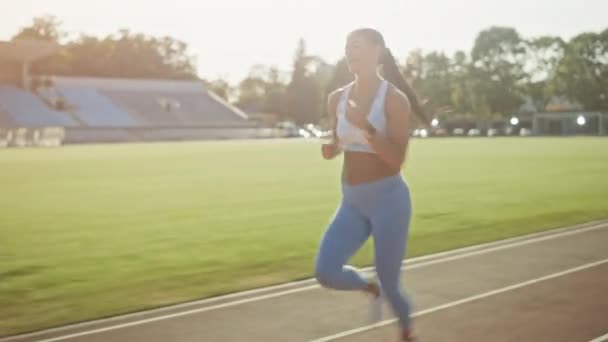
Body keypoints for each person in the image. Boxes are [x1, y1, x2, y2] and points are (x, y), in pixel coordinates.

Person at [314, 28, 427, 342]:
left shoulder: (394, 100)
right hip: (352, 201)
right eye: (346, 46)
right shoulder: (336, 98)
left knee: (392, 285)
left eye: (358, 45)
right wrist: (332, 148)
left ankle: (407, 329)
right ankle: (368, 286)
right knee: (326, 272)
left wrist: (367, 126)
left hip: (388, 200)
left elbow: (396, 159)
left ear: (378, 50)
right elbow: (339, 141)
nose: (350, 51)